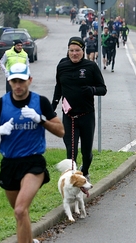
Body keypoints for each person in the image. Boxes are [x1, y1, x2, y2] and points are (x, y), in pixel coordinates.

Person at [0, 62, 64, 243]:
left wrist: (40, 119)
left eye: (22, 81)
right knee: (21, 213)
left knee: (19, 210)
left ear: (29, 80)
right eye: (14, 81)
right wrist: (0, 131)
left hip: (33, 163)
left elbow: (60, 131)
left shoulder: (40, 102)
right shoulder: (0, 104)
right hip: (9, 163)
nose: (18, 85)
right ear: (9, 81)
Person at [52, 37, 107, 182]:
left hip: (86, 116)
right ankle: (72, 180)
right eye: (71, 51)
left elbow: (103, 89)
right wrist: (53, 105)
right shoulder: (62, 66)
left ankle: (85, 171)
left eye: (77, 50)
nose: (74, 53)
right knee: (71, 151)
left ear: (83, 51)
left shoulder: (91, 66)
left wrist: (92, 89)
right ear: (68, 51)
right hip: (69, 117)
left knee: (86, 152)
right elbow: (59, 87)